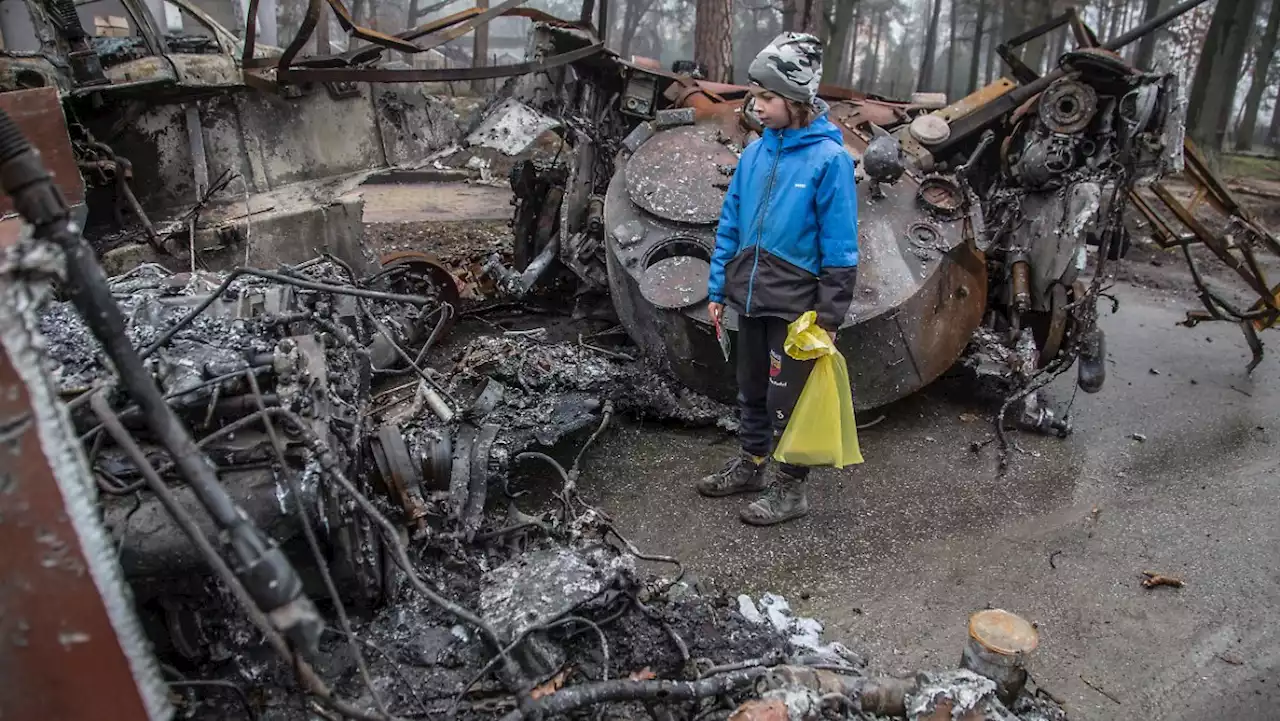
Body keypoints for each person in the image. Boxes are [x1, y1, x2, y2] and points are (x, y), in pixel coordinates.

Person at [698, 32, 859, 526]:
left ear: (796, 100)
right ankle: (751, 465)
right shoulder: (753, 155)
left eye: (768, 97)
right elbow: (730, 224)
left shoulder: (829, 161)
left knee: (787, 399)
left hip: (796, 304)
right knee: (749, 388)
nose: (757, 105)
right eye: (755, 95)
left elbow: (841, 245)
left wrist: (830, 316)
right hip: (749, 293)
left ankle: (791, 490)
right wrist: (719, 288)